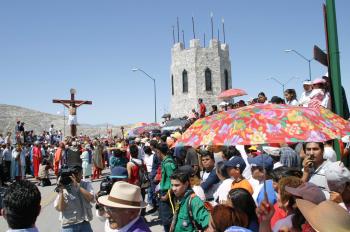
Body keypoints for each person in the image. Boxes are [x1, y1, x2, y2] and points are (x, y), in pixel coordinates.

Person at [54, 165, 94, 232]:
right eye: (80, 174)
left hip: (84, 223)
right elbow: (60, 208)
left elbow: (91, 199)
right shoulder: (64, 185)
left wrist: (78, 187)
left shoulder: (85, 184)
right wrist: (61, 191)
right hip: (69, 225)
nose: (81, 176)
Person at [156, 143, 176, 232]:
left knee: (167, 220)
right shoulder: (165, 162)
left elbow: (174, 182)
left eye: (157, 152)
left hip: (167, 194)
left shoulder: (168, 164)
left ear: (159, 152)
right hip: (164, 192)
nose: (156, 154)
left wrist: (167, 196)